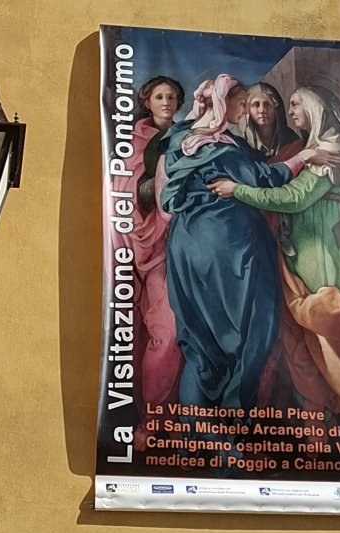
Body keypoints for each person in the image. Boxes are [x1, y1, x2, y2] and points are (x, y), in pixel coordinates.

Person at [208, 86, 340, 439]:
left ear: (315, 108)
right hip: (308, 261)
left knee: (332, 342)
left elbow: (293, 197)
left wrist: (236, 190)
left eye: (294, 104)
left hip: (325, 263)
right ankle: (323, 420)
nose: (289, 112)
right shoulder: (318, 148)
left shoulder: (331, 149)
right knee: (310, 345)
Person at [156, 75, 329, 413]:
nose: (245, 110)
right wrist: (307, 155)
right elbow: (266, 178)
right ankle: (232, 422)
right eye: (241, 102)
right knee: (250, 331)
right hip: (229, 247)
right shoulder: (219, 148)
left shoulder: (181, 138)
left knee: (202, 343)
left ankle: (198, 425)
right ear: (223, 103)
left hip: (187, 247)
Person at [111, 76, 185, 450]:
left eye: (172, 96)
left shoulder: (189, 138)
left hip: (191, 247)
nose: (166, 102)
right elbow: (123, 193)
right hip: (154, 250)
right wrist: (156, 200)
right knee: (165, 334)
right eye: (160, 96)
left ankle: (181, 419)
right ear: (146, 101)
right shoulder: (133, 144)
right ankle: (153, 419)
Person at [239, 81, 301, 161]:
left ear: (276, 109)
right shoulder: (239, 142)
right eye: (256, 105)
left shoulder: (292, 140)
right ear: (248, 110)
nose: (262, 110)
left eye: (267, 104)